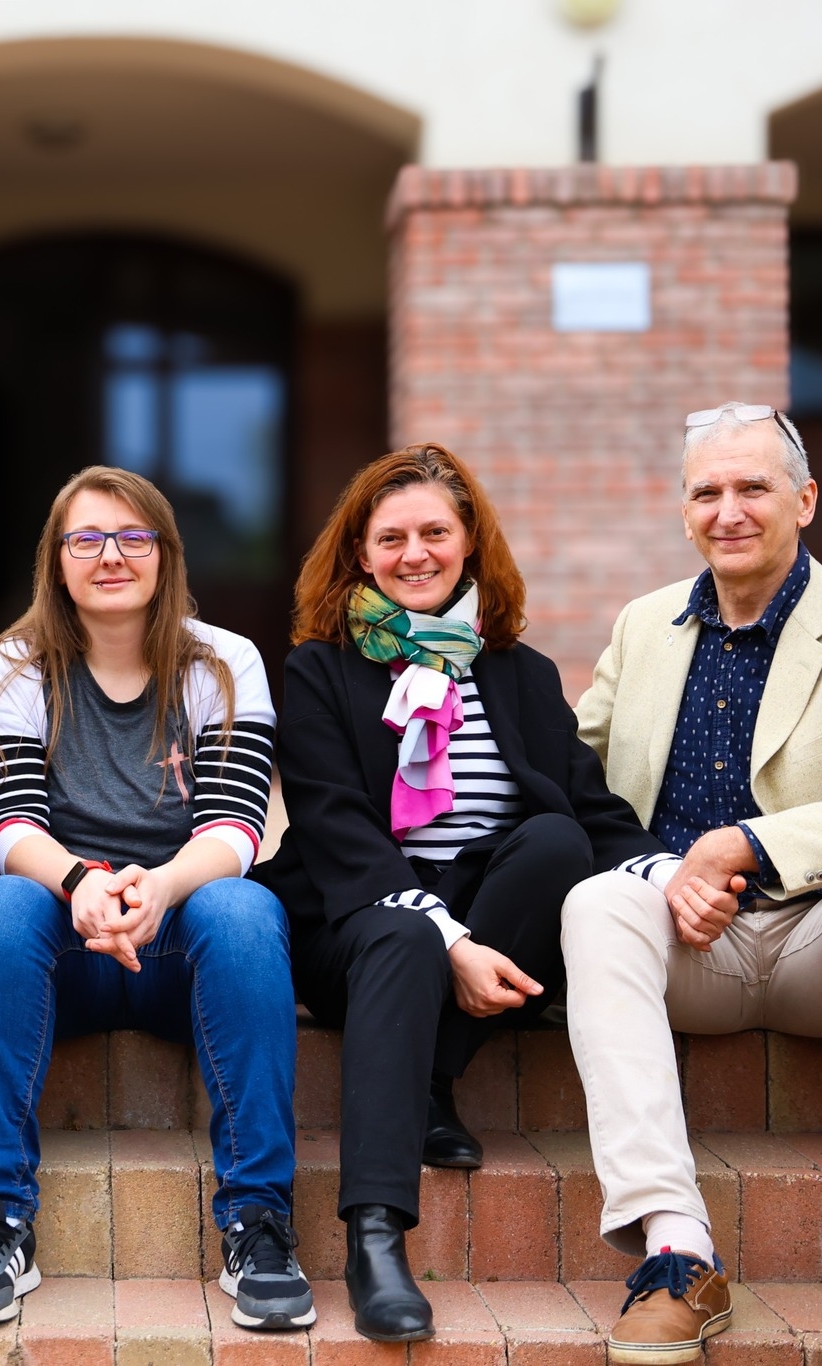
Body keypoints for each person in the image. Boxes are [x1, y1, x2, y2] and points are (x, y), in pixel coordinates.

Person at [565, 401, 822, 1365]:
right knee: (596, 900)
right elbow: (577, 778)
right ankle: (677, 1250)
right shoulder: (643, 627)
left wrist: (744, 845)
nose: (729, 511)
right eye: (706, 493)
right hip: (684, 950)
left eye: (752, 487)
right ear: (684, 513)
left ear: (804, 500)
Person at [252, 445, 665, 1343]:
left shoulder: (522, 673)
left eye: (435, 532)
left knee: (555, 841)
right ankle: (374, 1239)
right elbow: (335, 828)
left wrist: (677, 876)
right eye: (391, 538)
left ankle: (432, 1073)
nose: (415, 554)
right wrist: (451, 941)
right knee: (405, 936)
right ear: (360, 554)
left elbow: (594, 812)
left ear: (470, 541)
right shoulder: (319, 669)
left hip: (491, 929)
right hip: (356, 926)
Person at [0, 466, 309, 1330]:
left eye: (133, 537)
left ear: (165, 554)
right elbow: (7, 824)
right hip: (56, 952)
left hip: (179, 953)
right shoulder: (12, 665)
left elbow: (236, 828)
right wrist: (81, 883)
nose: (111, 556)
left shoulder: (224, 663)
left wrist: (162, 886)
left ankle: (259, 1222)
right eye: (87, 539)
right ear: (57, 560)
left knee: (245, 909)